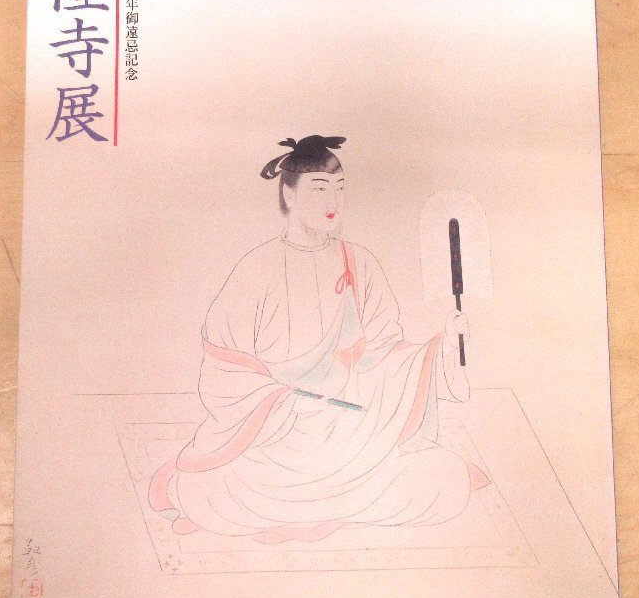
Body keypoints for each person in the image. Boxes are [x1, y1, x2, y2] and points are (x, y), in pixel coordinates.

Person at [148, 135, 488, 543]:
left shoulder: (359, 264)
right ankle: (334, 509)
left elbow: (387, 352)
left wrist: (444, 346)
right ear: (289, 195)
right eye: (319, 189)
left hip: (354, 435)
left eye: (340, 189)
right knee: (207, 489)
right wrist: (286, 404)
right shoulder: (256, 269)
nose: (333, 201)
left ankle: (307, 511)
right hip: (276, 441)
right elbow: (224, 368)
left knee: (444, 481)